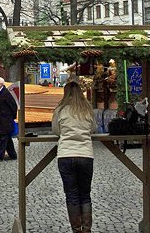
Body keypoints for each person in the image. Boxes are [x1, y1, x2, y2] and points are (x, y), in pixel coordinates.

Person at [52, 81, 96, 233]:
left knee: (71, 194)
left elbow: (56, 130)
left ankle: (76, 230)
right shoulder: (87, 109)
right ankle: (87, 229)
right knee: (85, 194)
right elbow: (93, 129)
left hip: (66, 154)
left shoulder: (60, 109)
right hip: (85, 154)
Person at [0, 77, 18, 162]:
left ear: (1, 84)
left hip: (6, 120)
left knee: (3, 137)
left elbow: (13, 105)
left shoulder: (6, 94)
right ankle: (13, 155)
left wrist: (12, 117)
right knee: (7, 138)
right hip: (1, 119)